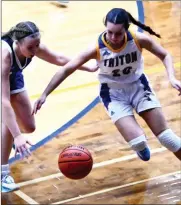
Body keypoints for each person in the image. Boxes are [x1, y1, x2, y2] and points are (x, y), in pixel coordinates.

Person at [33, 8, 181, 163]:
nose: (113, 37)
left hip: (138, 87)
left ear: (126, 29)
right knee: (139, 143)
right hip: (113, 94)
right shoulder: (96, 47)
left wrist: (172, 78)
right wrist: (45, 94)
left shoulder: (139, 39)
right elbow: (66, 69)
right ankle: (140, 147)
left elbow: (164, 54)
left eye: (118, 33)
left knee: (168, 139)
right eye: (110, 32)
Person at [1, 21, 98, 193]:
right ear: (18, 43)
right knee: (10, 125)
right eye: (31, 48)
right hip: (3, 75)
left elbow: (59, 59)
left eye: (37, 46)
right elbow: (4, 101)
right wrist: (16, 135)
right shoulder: (5, 56)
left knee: (28, 127)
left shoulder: (33, 45)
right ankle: (2, 174)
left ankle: (8, 137)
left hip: (13, 75)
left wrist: (88, 67)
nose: (35, 51)